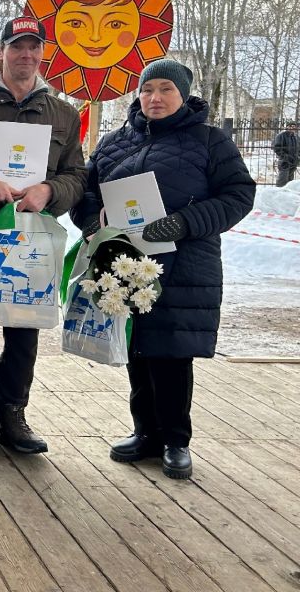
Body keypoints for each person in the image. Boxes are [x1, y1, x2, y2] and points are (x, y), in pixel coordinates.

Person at [71, 59, 254, 480]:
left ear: (183, 95)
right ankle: (145, 432)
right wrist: (93, 219)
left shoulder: (210, 142)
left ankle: (175, 440)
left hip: (183, 264)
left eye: (166, 90)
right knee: (138, 347)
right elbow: (86, 191)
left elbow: (239, 195)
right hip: (126, 262)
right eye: (148, 89)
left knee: (171, 353)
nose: (155, 98)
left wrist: (186, 222)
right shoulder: (116, 142)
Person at [0, 16, 87, 462]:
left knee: (24, 329)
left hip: (34, 238)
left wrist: (51, 191)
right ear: (2, 51)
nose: (25, 55)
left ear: (42, 53)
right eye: (16, 46)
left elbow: (76, 175)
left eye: (33, 47)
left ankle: (14, 412)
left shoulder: (64, 114)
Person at [273, 121, 299, 187]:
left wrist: (298, 157)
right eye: (290, 126)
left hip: (293, 162)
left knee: (290, 183)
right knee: (282, 182)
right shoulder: (281, 136)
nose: (292, 128)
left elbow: (298, 148)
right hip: (284, 162)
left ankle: (287, 196)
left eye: (294, 126)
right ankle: (278, 195)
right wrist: (285, 157)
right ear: (287, 127)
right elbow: (277, 148)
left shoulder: (296, 137)